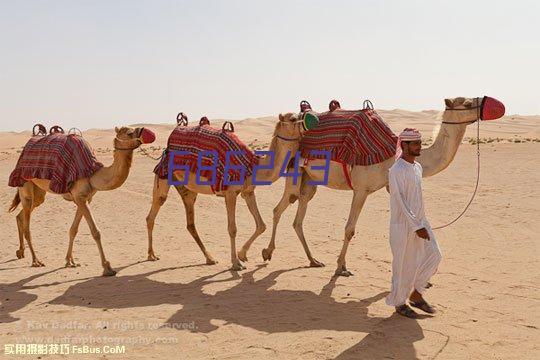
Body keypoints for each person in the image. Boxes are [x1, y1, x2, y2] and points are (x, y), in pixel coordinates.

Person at [386, 128, 442, 318]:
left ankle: (416, 293)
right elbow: (401, 202)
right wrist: (416, 226)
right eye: (415, 143)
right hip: (402, 227)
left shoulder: (417, 168)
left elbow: (416, 199)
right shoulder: (396, 170)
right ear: (404, 145)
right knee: (403, 266)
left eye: (420, 142)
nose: (419, 146)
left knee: (434, 255)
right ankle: (400, 303)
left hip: (420, 223)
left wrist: (421, 223)